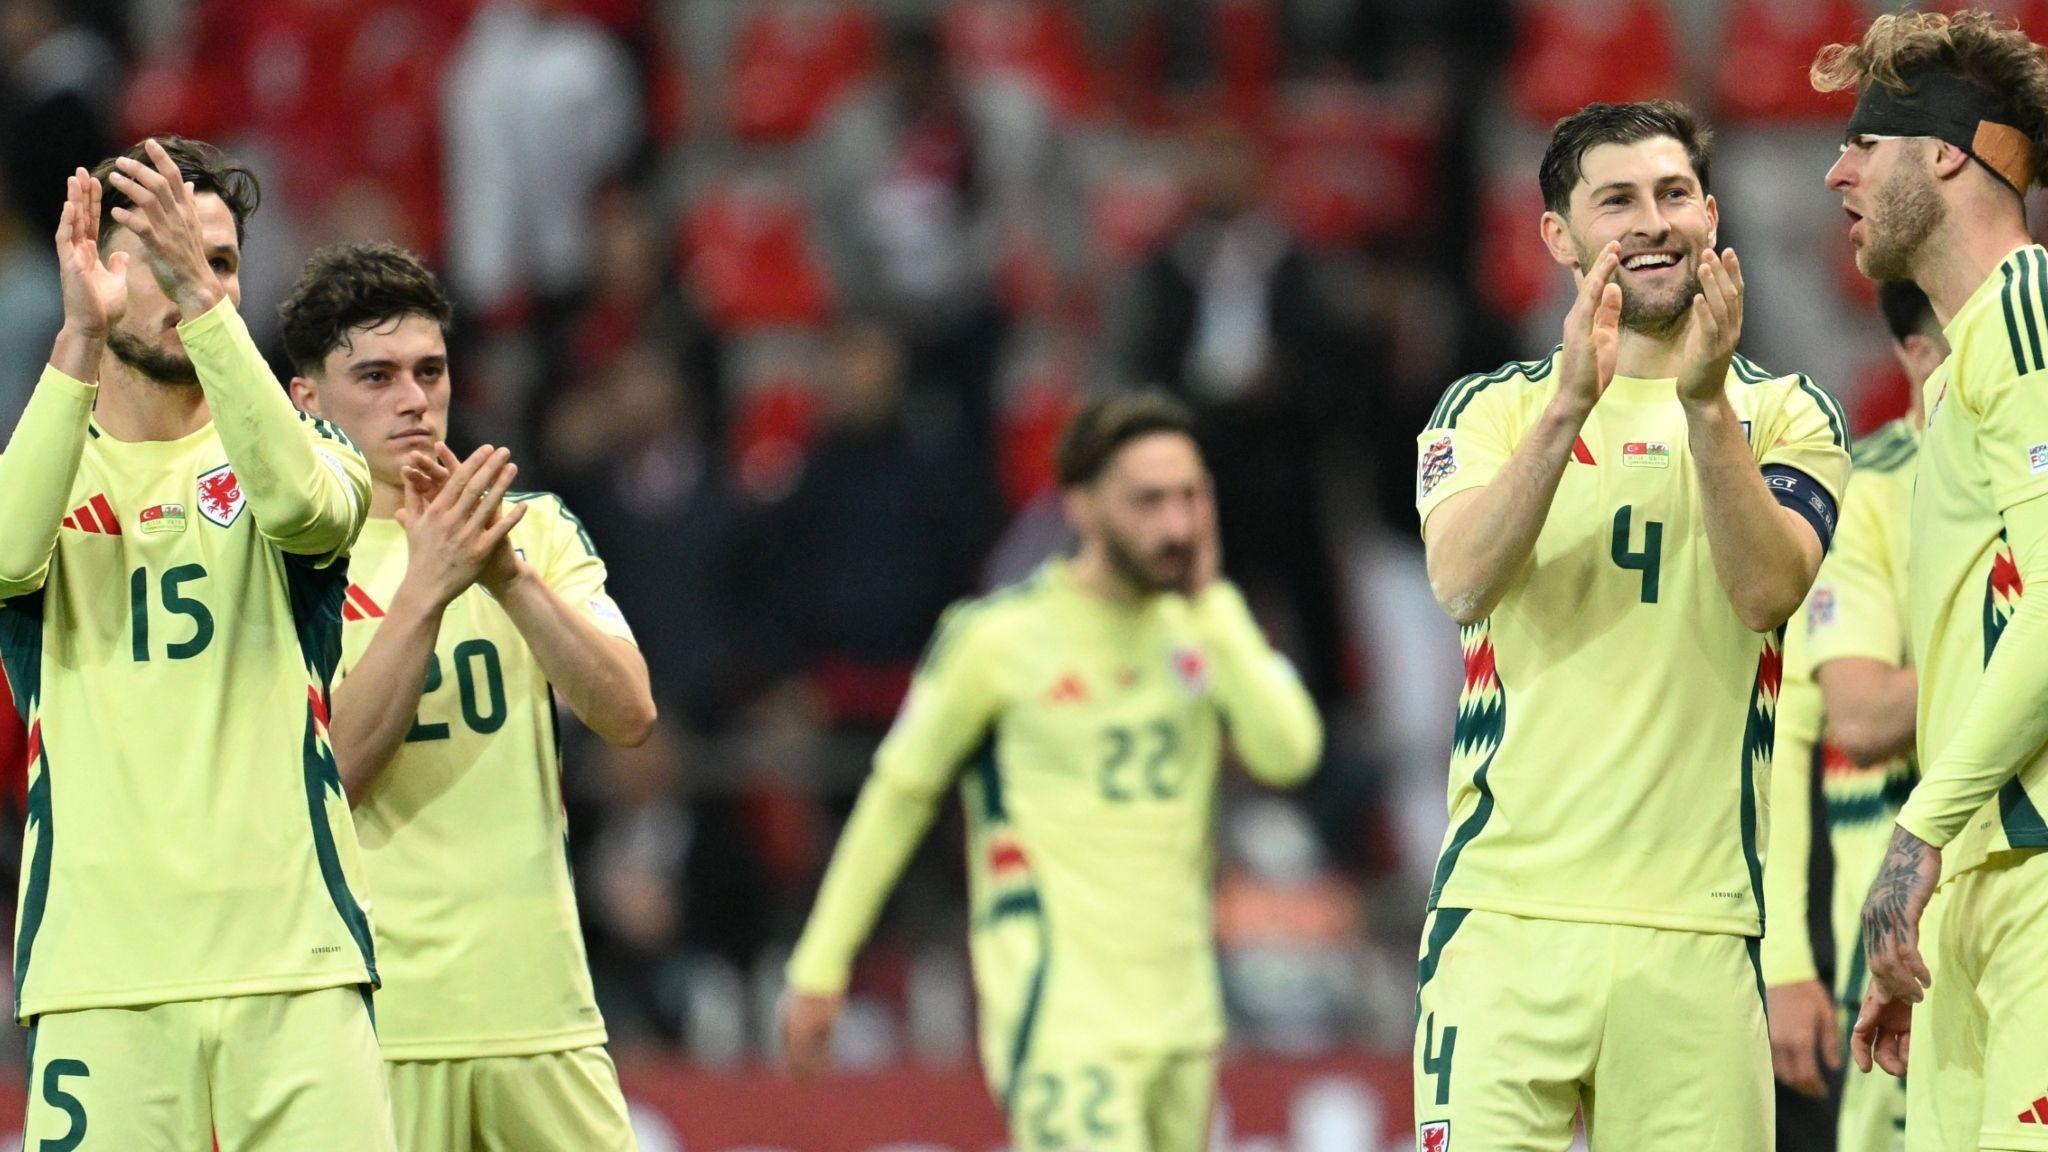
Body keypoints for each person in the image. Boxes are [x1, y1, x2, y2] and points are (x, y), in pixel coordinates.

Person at [1411, 99, 1851, 1149]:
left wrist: (1703, 408)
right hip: (1504, 921)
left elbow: (1765, 593)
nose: (1651, 222)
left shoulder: (1787, 413)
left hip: (1697, 933)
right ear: (1558, 238)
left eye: (1671, 195)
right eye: (1616, 201)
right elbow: (1462, 584)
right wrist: (1568, 404)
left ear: (1709, 214)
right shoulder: (1485, 410)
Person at [780, 392, 1322, 1152]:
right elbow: (899, 795)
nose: (1176, 524)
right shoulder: (998, 639)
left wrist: (1213, 606)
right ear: (1083, 507)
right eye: (1148, 501)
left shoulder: (1202, 625)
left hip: (1184, 1013)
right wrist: (821, 963)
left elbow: (1290, 751)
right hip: (1062, 1010)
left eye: (1191, 497)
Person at [0, 138, 391, 1149]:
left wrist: (207, 315)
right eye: (162, 257)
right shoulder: (42, 465)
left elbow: (307, 514)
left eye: (215, 261)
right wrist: (77, 343)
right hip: (103, 983)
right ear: (96, 268)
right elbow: (3, 561)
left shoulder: (305, 450)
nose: (190, 282)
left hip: (297, 973)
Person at [281, 241, 656, 1152]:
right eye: (375, 375)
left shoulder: (536, 529)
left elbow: (630, 715)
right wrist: (428, 585)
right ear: (306, 400)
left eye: (430, 371)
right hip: (377, 1028)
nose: (413, 399)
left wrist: (508, 579)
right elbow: (336, 781)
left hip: (546, 1017)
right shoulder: (287, 563)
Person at [1813, 11, 2048, 1150]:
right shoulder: (1955, 377)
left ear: (1947, 152)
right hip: (1972, 894)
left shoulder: (2029, 314)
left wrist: (1912, 839)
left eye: (1865, 141)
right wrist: (1929, 898)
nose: (1834, 170)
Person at [1764, 280, 1945, 1152]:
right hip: (1888, 930)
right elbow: (1844, 717)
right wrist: (1788, 965)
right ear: (1919, 354)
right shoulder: (1867, 491)